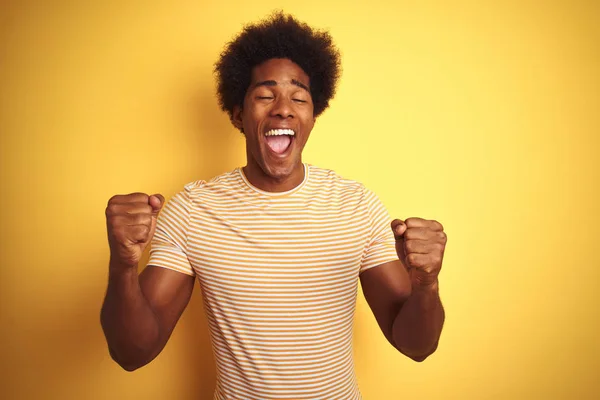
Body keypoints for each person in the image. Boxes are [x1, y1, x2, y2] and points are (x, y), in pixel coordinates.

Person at [101, 11, 446, 400]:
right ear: (238, 115)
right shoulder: (192, 211)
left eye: (298, 97)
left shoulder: (356, 206)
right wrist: (123, 265)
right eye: (265, 95)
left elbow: (417, 347)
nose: (283, 107)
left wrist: (425, 284)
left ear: (312, 117)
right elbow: (132, 353)